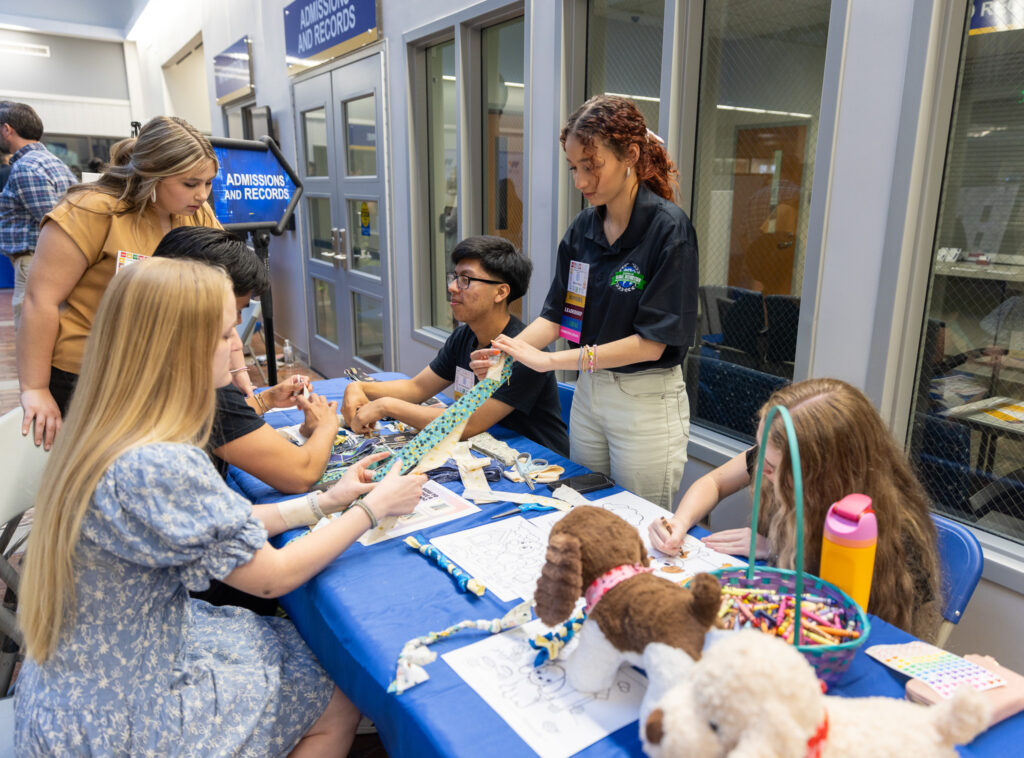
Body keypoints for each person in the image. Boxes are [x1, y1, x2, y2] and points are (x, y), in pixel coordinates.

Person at [15, 258, 427, 755]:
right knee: (339, 687)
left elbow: (202, 524)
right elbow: (271, 577)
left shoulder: (109, 423)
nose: (238, 348)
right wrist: (372, 508)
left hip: (81, 678)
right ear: (180, 348)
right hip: (121, 716)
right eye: (227, 334)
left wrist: (322, 504)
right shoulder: (160, 461)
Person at [470, 95, 698, 508]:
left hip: (645, 401)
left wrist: (550, 361)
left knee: (638, 524)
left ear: (629, 155)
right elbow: (560, 315)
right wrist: (507, 352)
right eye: (574, 168)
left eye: (591, 167)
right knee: (584, 510)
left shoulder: (668, 230)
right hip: (591, 395)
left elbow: (651, 343)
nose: (580, 181)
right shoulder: (583, 230)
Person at [649, 377, 942, 641]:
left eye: (773, 467)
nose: (760, 468)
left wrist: (777, 549)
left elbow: (847, 622)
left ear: (824, 476)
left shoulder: (889, 534)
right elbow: (714, 481)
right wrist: (679, 522)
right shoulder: (776, 456)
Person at [18, 115, 222, 450]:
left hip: (164, 371)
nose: (202, 195)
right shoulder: (92, 210)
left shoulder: (194, 213)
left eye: (209, 183)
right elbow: (41, 301)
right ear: (152, 172)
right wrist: (35, 388)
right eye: (190, 184)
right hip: (92, 375)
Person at [342, 235, 570, 457]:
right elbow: (417, 389)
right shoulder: (464, 336)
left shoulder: (526, 351)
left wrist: (386, 406)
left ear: (500, 292)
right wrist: (359, 388)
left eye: (466, 280)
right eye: (454, 277)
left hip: (534, 461)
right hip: (483, 450)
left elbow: (468, 424)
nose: (452, 287)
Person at [153, 226, 340, 493]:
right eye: (227, 331)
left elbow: (213, 423)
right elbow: (300, 474)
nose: (237, 344)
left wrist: (266, 400)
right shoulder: (198, 387)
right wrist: (327, 425)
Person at [0, 101, 77, 331]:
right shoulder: (55, 162)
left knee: (29, 329)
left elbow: (52, 220)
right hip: (45, 260)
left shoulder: (26, 167)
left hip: (34, 260)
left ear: (7, 129)